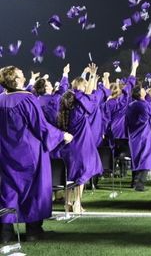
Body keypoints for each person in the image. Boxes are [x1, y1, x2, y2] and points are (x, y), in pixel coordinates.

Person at [0, 66, 73, 243]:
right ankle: (33, 231)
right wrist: (62, 135)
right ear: (15, 80)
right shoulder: (27, 99)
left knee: (7, 193)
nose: (24, 76)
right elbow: (40, 126)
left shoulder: (0, 99)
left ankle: (5, 234)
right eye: (21, 74)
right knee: (34, 190)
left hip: (5, 154)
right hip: (29, 154)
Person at [58, 63, 106, 213]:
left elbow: (84, 94)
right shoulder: (79, 110)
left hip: (67, 148)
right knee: (82, 176)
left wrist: (87, 77)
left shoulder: (64, 110)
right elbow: (89, 97)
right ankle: (77, 203)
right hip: (81, 147)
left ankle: (68, 204)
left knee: (69, 176)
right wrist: (91, 76)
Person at [125, 84, 151, 191]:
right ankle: (140, 184)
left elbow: (126, 121)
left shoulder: (130, 106)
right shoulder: (147, 105)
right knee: (146, 159)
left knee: (135, 158)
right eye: (142, 89)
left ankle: (133, 182)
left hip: (132, 135)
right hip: (145, 135)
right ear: (140, 93)